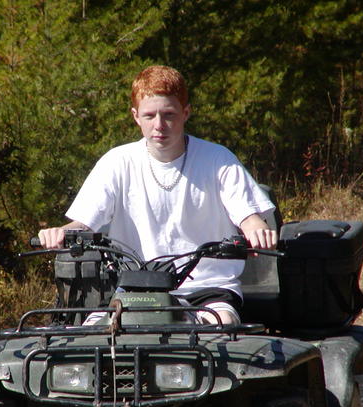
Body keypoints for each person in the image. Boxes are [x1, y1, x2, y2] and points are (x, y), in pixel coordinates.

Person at [38, 65, 277, 324]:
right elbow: (83, 223)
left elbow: (248, 215)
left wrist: (256, 229)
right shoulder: (117, 162)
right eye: (149, 115)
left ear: (186, 113)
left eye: (169, 114)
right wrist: (61, 232)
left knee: (221, 326)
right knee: (94, 334)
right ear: (136, 116)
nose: (159, 125)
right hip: (134, 288)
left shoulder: (218, 159)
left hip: (207, 290)